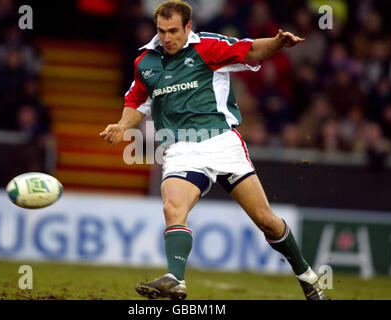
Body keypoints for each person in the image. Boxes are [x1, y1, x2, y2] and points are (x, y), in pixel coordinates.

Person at [100, 0, 325, 300]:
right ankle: (175, 279)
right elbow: (136, 101)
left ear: (188, 27)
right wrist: (122, 126)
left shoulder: (208, 47)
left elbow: (251, 50)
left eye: (173, 31)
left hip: (222, 143)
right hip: (181, 148)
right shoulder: (145, 62)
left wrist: (278, 43)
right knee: (172, 209)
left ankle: (308, 276)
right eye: (161, 31)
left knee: (266, 221)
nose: (167, 38)